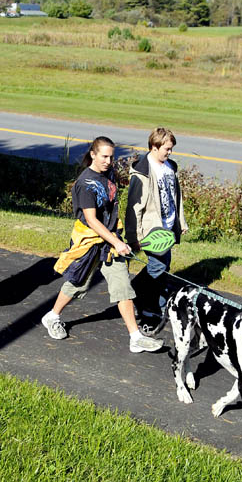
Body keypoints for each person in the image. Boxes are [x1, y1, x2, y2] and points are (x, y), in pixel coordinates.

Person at [41, 136, 164, 353]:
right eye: (104, 156)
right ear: (93, 155)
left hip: (109, 242)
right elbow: (92, 220)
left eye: (111, 157)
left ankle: (135, 338)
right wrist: (117, 241)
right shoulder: (85, 183)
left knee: (122, 285)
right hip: (90, 241)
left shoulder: (108, 174)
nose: (108, 161)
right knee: (79, 284)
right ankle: (52, 316)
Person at [125, 127, 188, 322]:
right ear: (154, 147)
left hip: (168, 226)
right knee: (158, 267)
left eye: (171, 149)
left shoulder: (170, 167)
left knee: (162, 265)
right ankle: (149, 304)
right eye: (166, 149)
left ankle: (140, 292)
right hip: (151, 231)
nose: (170, 153)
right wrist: (133, 237)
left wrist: (181, 222)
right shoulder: (142, 174)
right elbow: (133, 209)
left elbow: (176, 197)